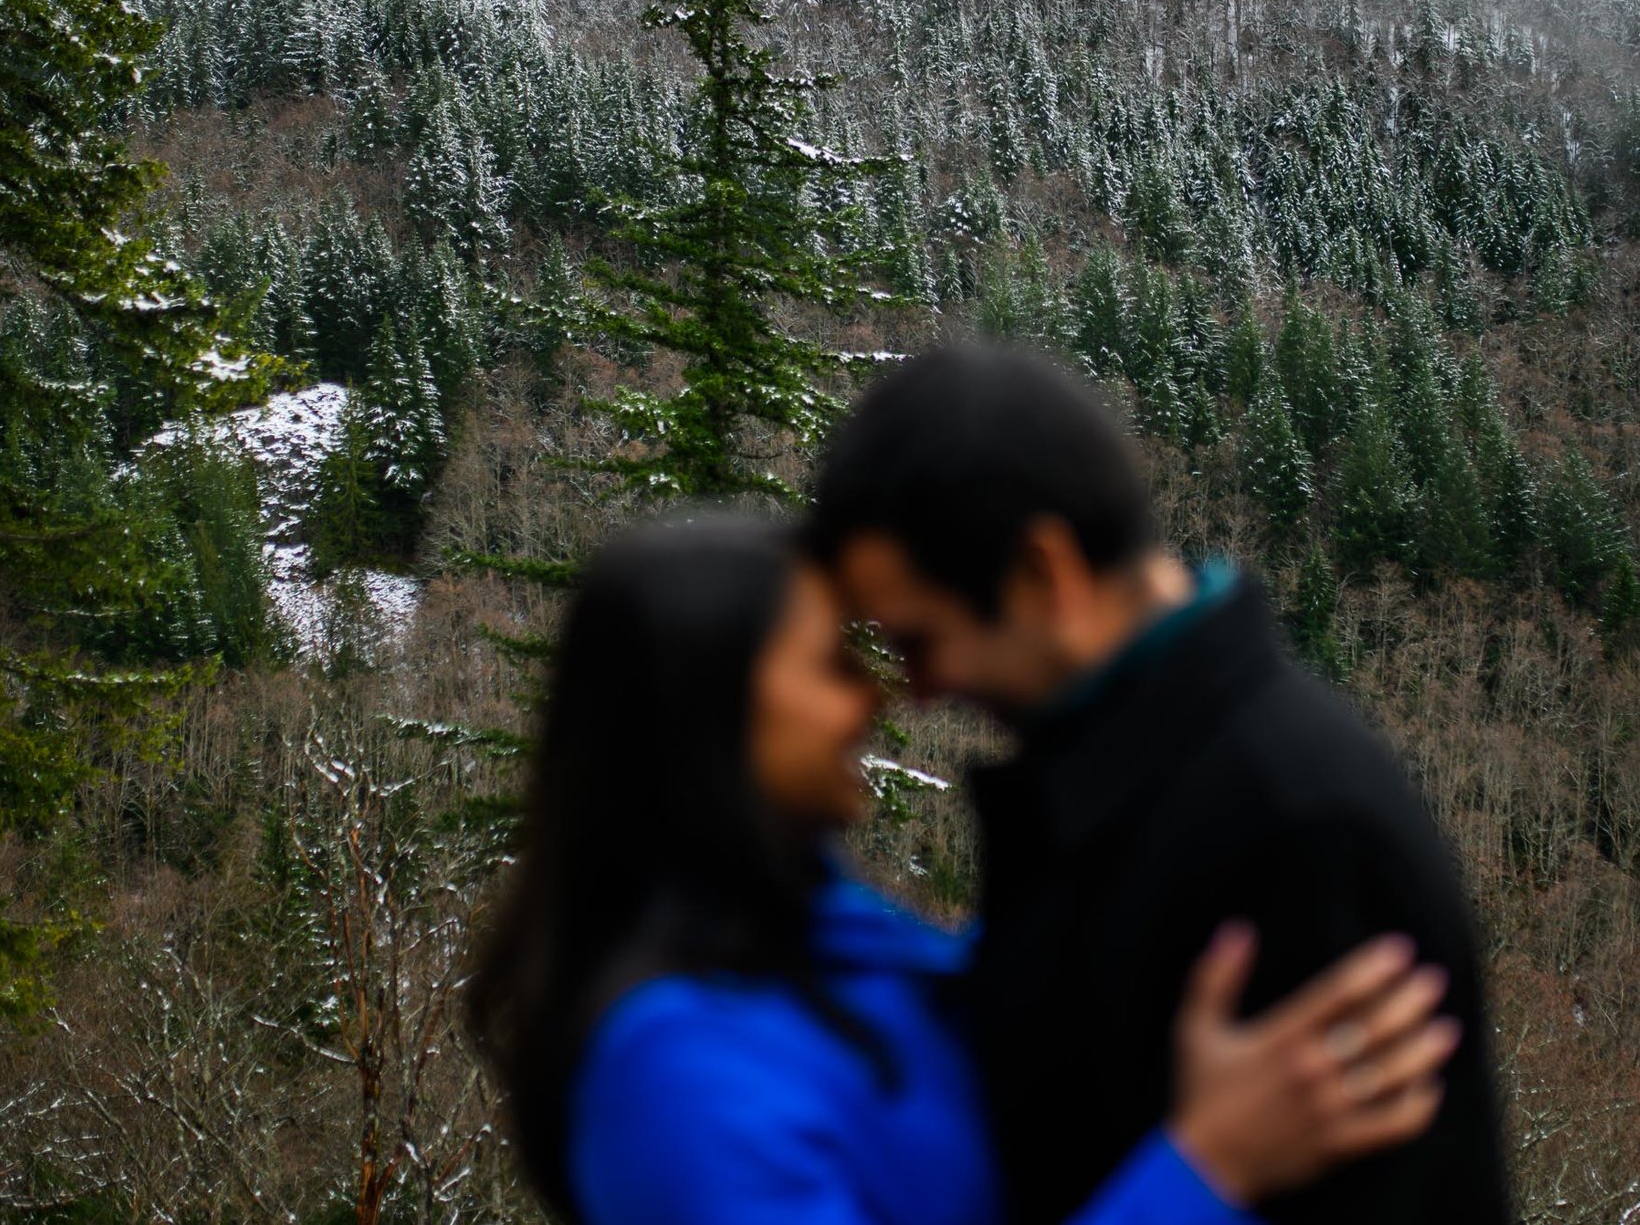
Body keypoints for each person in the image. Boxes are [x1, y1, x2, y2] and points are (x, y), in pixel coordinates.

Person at [467, 515, 1464, 1225]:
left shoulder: (829, 943)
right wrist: (1210, 1165)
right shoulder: (668, 1075)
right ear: (708, 713)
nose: (878, 697)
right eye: (832, 663)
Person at [807, 344, 1515, 1225]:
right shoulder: (1121, 786)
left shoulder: (1296, 830)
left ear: (1042, 575)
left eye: (920, 640)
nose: (912, 688)